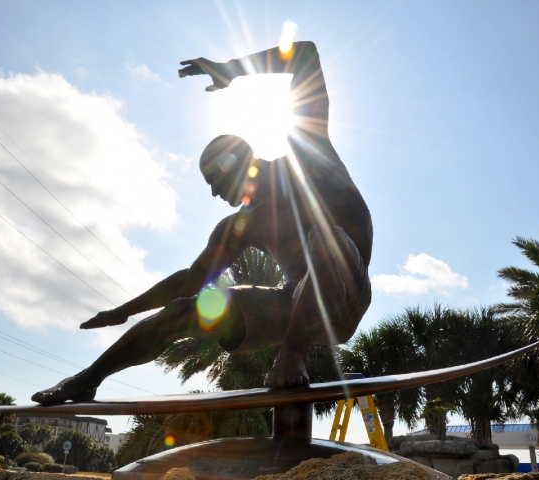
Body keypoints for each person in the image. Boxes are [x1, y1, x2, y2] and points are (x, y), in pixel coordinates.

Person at [32, 41, 372, 404]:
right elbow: (191, 281)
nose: (215, 195)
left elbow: (305, 55)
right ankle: (88, 378)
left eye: (217, 182)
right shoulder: (242, 224)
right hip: (292, 307)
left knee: (326, 236)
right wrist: (123, 311)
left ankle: (292, 355)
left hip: (345, 296)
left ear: (238, 164)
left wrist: (231, 69)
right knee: (183, 310)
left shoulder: (310, 158)